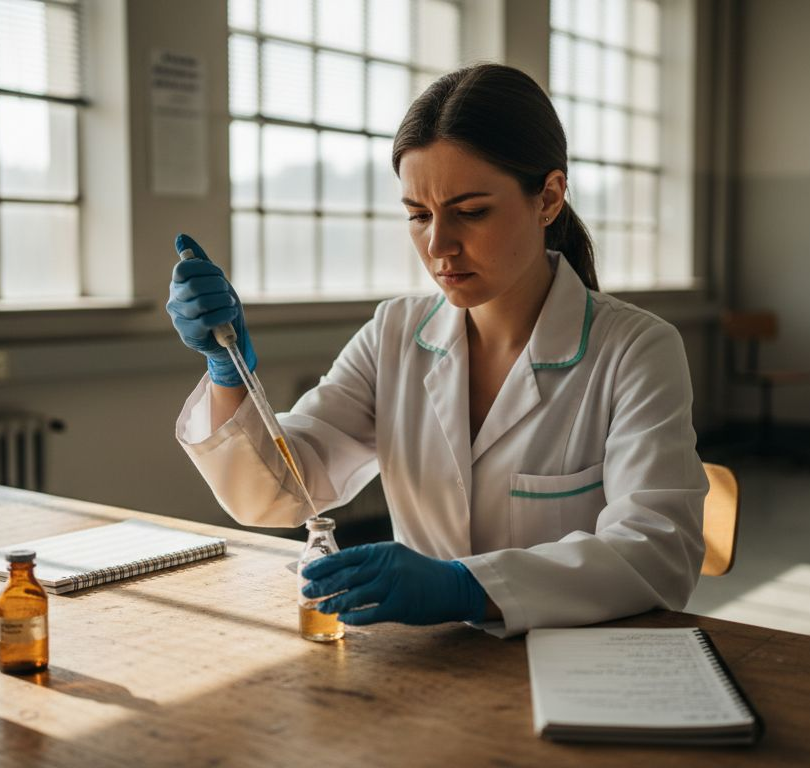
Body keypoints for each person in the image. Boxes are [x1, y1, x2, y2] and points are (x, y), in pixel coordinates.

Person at [169, 64, 706, 638]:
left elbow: (656, 551)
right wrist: (229, 373)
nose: (439, 245)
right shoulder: (395, 332)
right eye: (418, 216)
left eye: (471, 212)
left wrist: (465, 587)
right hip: (430, 663)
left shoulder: (634, 349)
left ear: (548, 198)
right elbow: (281, 493)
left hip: (571, 662)